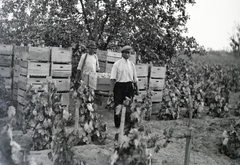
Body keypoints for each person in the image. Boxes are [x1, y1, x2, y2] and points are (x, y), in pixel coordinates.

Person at [110, 45, 139, 128]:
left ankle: (127, 123)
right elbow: (112, 79)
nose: (127, 54)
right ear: (122, 53)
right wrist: (112, 91)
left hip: (129, 86)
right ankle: (118, 124)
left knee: (129, 105)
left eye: (129, 53)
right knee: (118, 105)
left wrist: (137, 89)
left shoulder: (132, 65)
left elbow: (135, 78)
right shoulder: (117, 64)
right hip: (119, 86)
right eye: (125, 53)